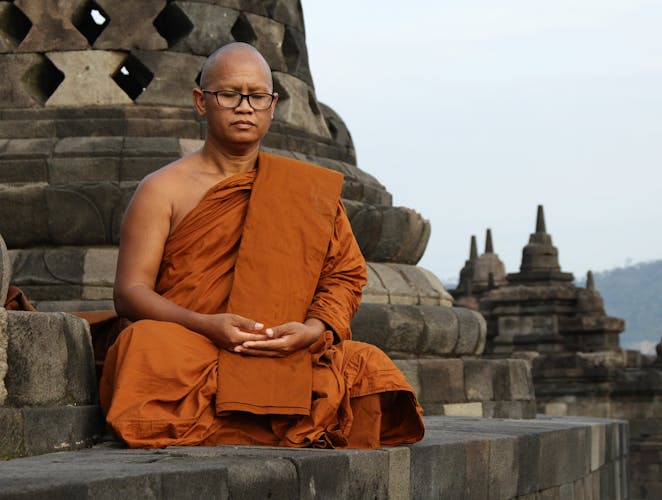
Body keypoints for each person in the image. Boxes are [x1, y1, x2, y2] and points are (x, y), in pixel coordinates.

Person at [98, 42, 424, 449]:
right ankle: (272, 421)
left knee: (369, 367)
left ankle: (244, 417)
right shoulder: (162, 189)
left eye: (256, 97)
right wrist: (207, 326)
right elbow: (130, 292)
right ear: (202, 102)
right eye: (229, 94)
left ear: (272, 106)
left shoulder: (306, 191)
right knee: (142, 346)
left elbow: (344, 276)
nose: (244, 107)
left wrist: (311, 329)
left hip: (284, 349)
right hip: (197, 343)